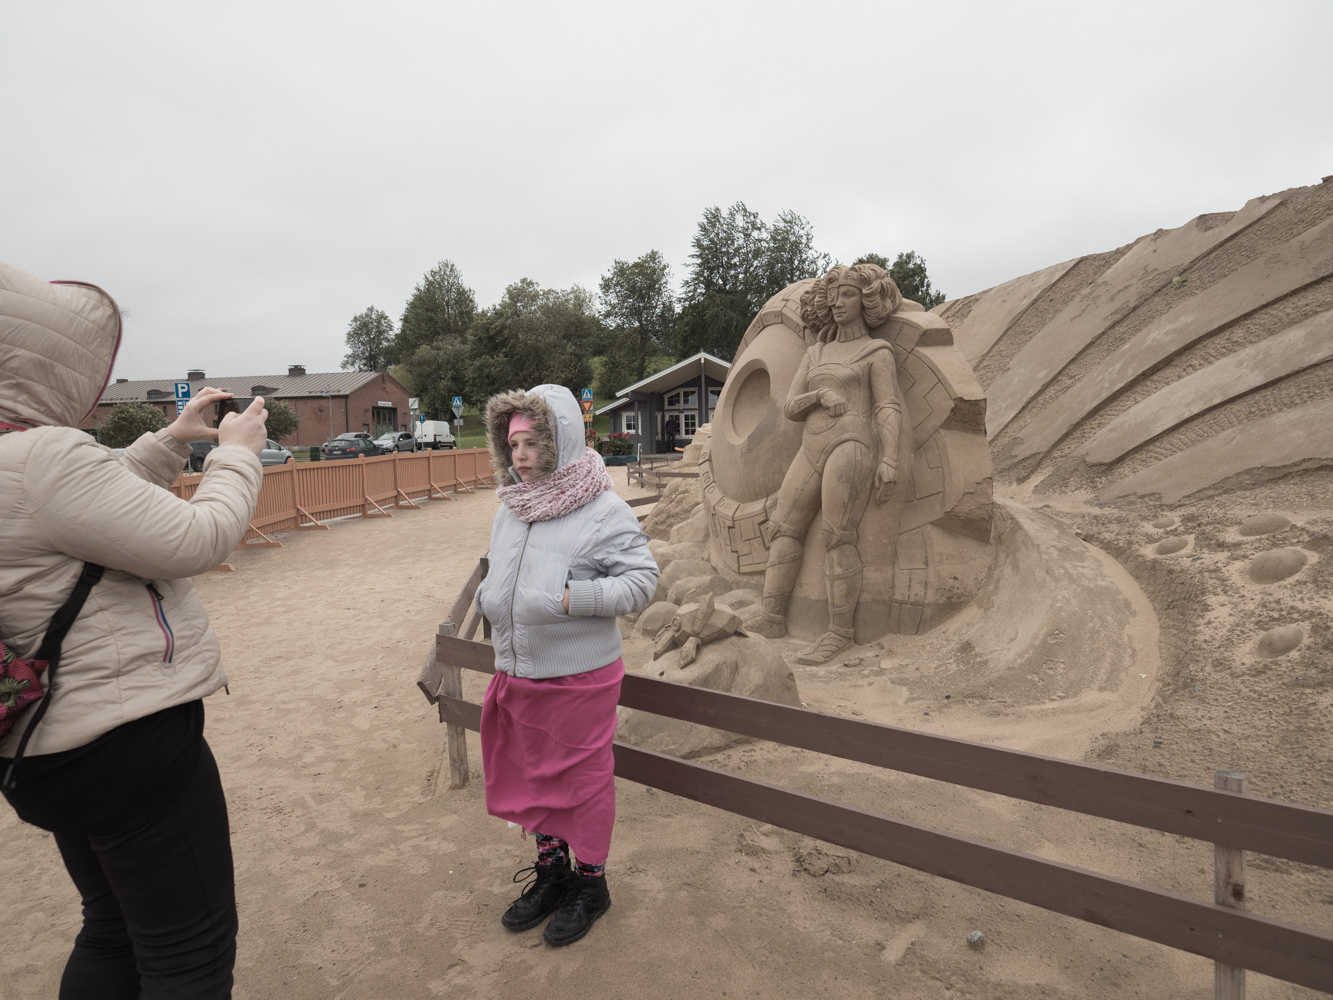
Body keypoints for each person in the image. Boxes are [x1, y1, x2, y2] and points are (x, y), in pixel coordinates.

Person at [0, 262, 267, 998]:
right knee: (190, 956)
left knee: (111, 929)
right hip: (126, 746)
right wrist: (236, 453)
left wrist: (169, 440)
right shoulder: (40, 458)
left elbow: (78, 513)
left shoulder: (18, 462)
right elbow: (197, 538)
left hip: (39, 745)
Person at [474, 383, 657, 946]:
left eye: (532, 443)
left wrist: (573, 599)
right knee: (534, 779)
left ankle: (591, 884)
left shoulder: (601, 508)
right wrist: (489, 595)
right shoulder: (513, 508)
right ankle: (553, 873)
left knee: (582, 782)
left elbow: (642, 580)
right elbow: (501, 574)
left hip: (579, 675)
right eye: (513, 444)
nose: (520, 456)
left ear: (561, 443)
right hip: (521, 670)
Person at [745, 263, 906, 664]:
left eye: (848, 294)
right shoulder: (815, 352)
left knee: (838, 536)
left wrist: (889, 457)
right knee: (785, 527)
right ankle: (771, 616)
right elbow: (790, 408)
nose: (838, 302)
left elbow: (887, 405)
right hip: (812, 446)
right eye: (833, 295)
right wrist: (820, 396)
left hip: (852, 445)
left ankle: (839, 632)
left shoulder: (875, 351)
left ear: (867, 301)